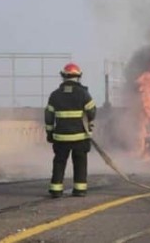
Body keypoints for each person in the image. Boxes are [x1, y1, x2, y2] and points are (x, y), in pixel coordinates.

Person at [44, 63, 97, 198]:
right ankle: (79, 189)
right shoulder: (84, 94)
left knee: (59, 162)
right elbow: (92, 113)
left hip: (61, 137)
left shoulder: (55, 95)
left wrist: (49, 133)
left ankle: (56, 189)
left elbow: (49, 116)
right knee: (80, 163)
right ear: (78, 77)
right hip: (80, 137)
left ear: (63, 76)